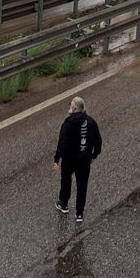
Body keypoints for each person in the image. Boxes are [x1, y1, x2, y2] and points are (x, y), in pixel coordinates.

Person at [53, 95, 102, 225]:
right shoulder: (91, 122)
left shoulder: (67, 123)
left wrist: (57, 158)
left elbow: (62, 143)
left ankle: (64, 204)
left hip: (69, 160)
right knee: (82, 185)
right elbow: (98, 142)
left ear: (74, 108)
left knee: (66, 180)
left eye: (71, 105)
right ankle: (79, 213)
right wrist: (93, 156)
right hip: (84, 160)